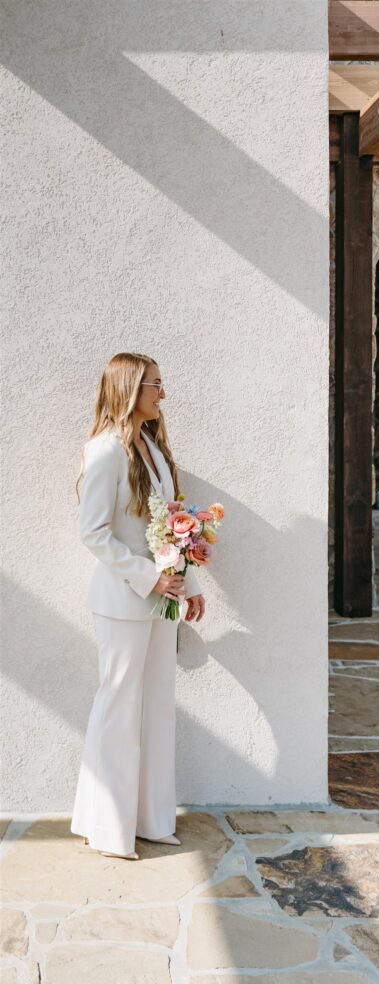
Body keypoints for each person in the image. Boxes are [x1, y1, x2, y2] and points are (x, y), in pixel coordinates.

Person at [71, 353, 206, 860]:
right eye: (155, 385)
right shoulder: (104, 451)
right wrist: (151, 579)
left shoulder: (152, 447)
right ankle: (106, 827)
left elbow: (170, 526)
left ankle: (149, 820)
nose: (162, 394)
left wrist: (187, 583)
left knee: (155, 711)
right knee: (119, 708)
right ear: (129, 388)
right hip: (123, 601)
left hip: (162, 603)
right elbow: (93, 533)